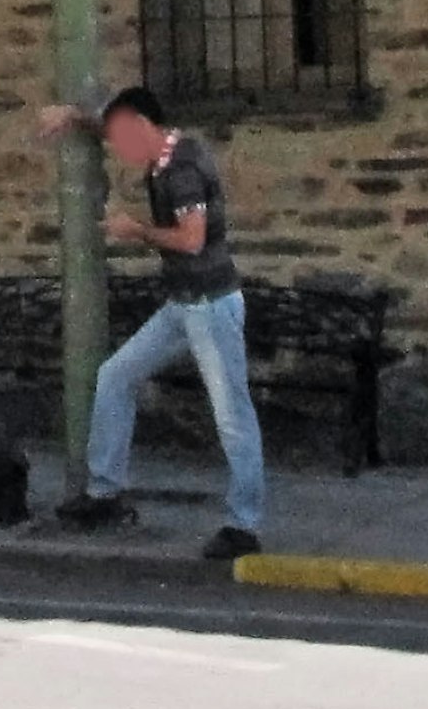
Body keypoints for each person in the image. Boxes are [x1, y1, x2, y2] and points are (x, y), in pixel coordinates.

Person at [36, 86, 263, 556]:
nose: (118, 148)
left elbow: (193, 240)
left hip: (209, 306)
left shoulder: (180, 170)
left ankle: (244, 526)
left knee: (233, 416)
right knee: (116, 375)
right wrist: (76, 117)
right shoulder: (170, 149)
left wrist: (134, 230)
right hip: (184, 304)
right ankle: (104, 493)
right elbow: (113, 121)